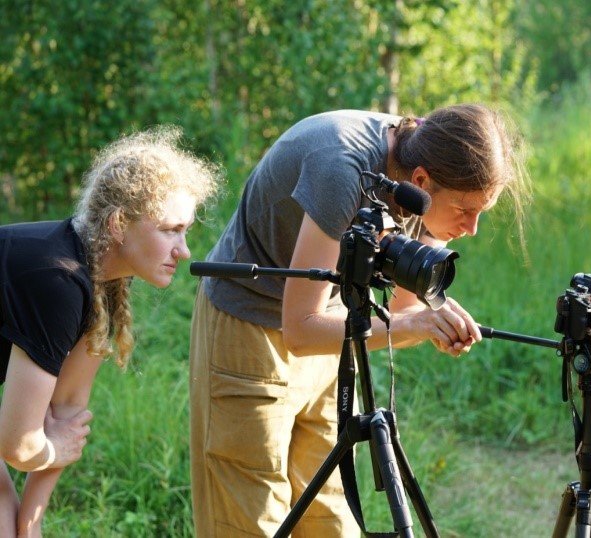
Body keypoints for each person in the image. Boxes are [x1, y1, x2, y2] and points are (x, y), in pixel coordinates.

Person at [189, 104, 531, 537]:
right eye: (465, 209)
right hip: (249, 323)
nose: (473, 228)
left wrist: (433, 318)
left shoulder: (424, 162)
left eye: (483, 210)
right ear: (421, 182)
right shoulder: (343, 169)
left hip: (330, 324)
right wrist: (415, 326)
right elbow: (300, 329)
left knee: (330, 516)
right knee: (250, 517)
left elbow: (402, 312)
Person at [0, 127, 220, 537]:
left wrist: (31, 522)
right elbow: (20, 445)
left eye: (185, 230)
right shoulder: (59, 279)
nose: (184, 250)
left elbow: (66, 410)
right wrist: (52, 450)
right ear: (119, 224)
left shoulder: (103, 277)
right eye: (170, 229)